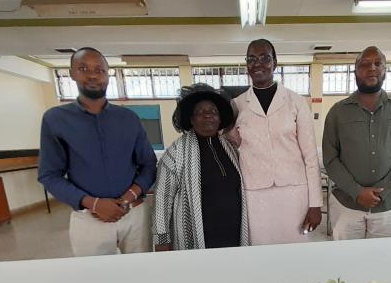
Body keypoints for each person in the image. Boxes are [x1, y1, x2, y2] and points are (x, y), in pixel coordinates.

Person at [38, 47, 157, 256]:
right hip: (89, 218)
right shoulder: (55, 119)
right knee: (95, 279)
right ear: (72, 73)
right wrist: (93, 203)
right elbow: (49, 174)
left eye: (99, 70)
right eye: (83, 68)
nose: (93, 75)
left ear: (107, 75)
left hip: (133, 214)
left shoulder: (128, 118)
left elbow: (148, 164)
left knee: (141, 275)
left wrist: (130, 195)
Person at [228, 38, 323, 245]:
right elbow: (233, 147)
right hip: (255, 194)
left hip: (294, 192)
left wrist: (315, 204)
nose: (258, 64)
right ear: (246, 65)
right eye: (251, 59)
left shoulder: (296, 102)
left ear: (275, 63)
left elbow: (310, 157)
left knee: (295, 252)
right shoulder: (237, 105)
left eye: (265, 58)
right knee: (260, 253)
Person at [322, 46, 391, 240]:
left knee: (383, 263)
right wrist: (357, 192)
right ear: (355, 70)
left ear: (385, 69)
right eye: (364, 64)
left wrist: (381, 193)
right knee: (346, 264)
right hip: (346, 204)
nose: (371, 68)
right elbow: (330, 158)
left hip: (387, 205)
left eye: (377, 63)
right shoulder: (338, 112)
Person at [152, 84, 248, 250]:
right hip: (197, 238)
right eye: (200, 112)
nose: (207, 116)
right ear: (191, 119)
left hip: (233, 235)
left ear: (220, 118)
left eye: (213, 111)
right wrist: (161, 239)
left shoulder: (231, 148)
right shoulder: (176, 152)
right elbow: (162, 198)